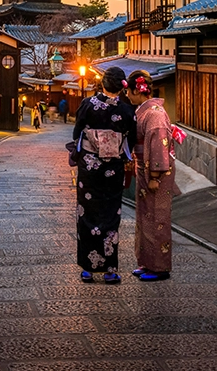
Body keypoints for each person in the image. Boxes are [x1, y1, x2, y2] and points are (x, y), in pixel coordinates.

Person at [70, 67, 137, 284]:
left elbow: (77, 132)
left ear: (103, 83)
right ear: (122, 86)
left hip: (89, 168)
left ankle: (88, 269)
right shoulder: (127, 110)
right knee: (110, 215)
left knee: (87, 213)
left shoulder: (87, 104)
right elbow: (131, 140)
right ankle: (110, 269)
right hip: (113, 169)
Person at [125, 70, 183, 281]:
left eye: (128, 92)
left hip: (155, 172)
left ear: (136, 90)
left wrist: (155, 176)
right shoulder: (145, 111)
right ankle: (147, 262)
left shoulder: (155, 114)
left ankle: (159, 267)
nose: (127, 96)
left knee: (157, 217)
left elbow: (159, 146)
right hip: (144, 168)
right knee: (145, 216)